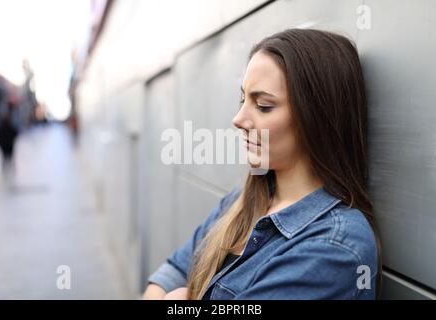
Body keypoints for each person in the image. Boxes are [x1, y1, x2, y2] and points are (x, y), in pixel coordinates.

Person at [143, 28, 381, 300]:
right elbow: (170, 273)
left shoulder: (335, 245)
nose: (238, 119)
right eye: (243, 99)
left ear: (317, 117)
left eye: (264, 106)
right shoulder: (240, 202)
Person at [0, 111, 19, 178]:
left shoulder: (3, 128)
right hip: (8, 148)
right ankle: (8, 174)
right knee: (8, 160)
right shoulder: (7, 128)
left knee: (7, 160)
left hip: (6, 148)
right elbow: (16, 134)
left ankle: (8, 174)